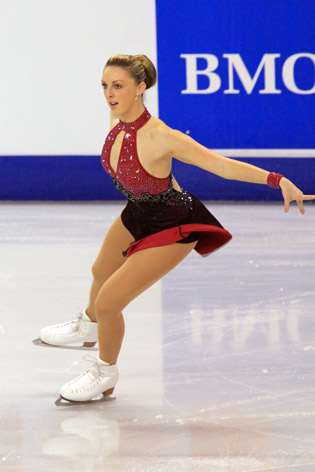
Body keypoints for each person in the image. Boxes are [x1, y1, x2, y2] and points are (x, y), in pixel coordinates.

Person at [39, 54, 314, 403]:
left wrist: (278, 180)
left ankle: (105, 374)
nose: (110, 93)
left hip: (174, 223)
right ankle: (89, 326)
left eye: (119, 86)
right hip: (139, 210)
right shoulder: (116, 117)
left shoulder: (161, 136)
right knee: (100, 271)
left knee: (109, 301)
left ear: (141, 89)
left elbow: (221, 166)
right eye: (105, 86)